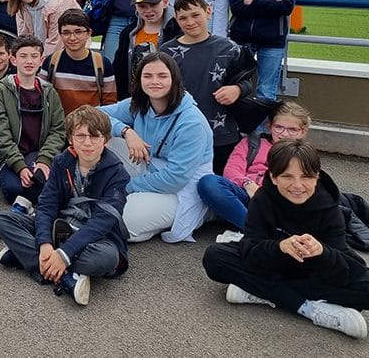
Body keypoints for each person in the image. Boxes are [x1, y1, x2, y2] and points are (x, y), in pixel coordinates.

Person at [203, 140, 369, 339]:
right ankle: (309, 307)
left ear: (316, 177)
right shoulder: (262, 199)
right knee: (215, 257)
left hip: (313, 273)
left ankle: (259, 292)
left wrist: (322, 252)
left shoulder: (329, 207)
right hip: (274, 265)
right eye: (287, 176)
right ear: (273, 177)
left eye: (306, 177)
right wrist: (279, 247)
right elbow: (250, 251)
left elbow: (346, 268)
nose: (297, 185)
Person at [0, 105, 130, 306]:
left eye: (95, 136)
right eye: (80, 136)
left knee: (108, 258)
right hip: (60, 227)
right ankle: (65, 276)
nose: (87, 143)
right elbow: (46, 205)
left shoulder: (118, 174)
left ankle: (28, 259)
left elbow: (103, 222)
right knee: (3, 219)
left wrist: (65, 254)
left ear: (106, 141)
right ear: (70, 139)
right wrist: (45, 245)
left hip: (94, 238)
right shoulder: (61, 162)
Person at [102, 52, 212, 243]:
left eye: (162, 76)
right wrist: (126, 131)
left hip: (180, 188)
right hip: (149, 167)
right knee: (103, 138)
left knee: (121, 220)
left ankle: (203, 214)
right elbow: (93, 116)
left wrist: (126, 187)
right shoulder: (139, 103)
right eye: (147, 76)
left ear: (174, 79)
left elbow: (175, 178)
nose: (154, 81)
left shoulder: (192, 123)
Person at [161, 0, 256, 174]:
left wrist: (237, 89)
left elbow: (248, 83)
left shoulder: (230, 49)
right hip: (180, 132)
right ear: (176, 19)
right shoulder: (167, 51)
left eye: (195, 15)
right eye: (183, 18)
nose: (190, 22)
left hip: (221, 133)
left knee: (218, 184)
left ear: (208, 11)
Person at [198, 102, 310, 236]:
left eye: (292, 129)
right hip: (246, 194)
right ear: (270, 126)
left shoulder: (304, 154)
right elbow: (231, 170)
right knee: (209, 182)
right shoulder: (252, 143)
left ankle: (258, 229)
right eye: (278, 127)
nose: (284, 134)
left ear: (302, 132)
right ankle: (257, 229)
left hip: (276, 202)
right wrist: (248, 184)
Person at [0, 36, 66, 206]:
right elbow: (1, 133)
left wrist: (44, 160)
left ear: (41, 60)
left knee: (43, 182)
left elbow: (58, 130)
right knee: (13, 189)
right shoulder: (2, 90)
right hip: (13, 155)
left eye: (34, 56)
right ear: (13, 59)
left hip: (39, 152)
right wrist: (20, 167)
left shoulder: (49, 91)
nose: (29, 61)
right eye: (23, 56)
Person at [113, 0, 181, 100]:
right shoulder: (127, 33)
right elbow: (119, 69)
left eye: (153, 4)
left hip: (169, 98)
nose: (148, 10)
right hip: (134, 98)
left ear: (165, 2)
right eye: (142, 6)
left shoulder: (177, 31)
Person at [39, 9, 117, 115]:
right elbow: (41, 95)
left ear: (89, 33)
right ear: (60, 34)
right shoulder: (52, 62)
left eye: (78, 32)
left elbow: (110, 103)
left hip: (90, 126)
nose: (72, 38)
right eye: (66, 33)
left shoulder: (101, 64)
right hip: (59, 126)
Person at [6, 0, 80, 56]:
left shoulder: (57, 4)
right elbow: (24, 36)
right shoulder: (21, 4)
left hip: (69, 49)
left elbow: (55, 41)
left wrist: (41, 63)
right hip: (41, 49)